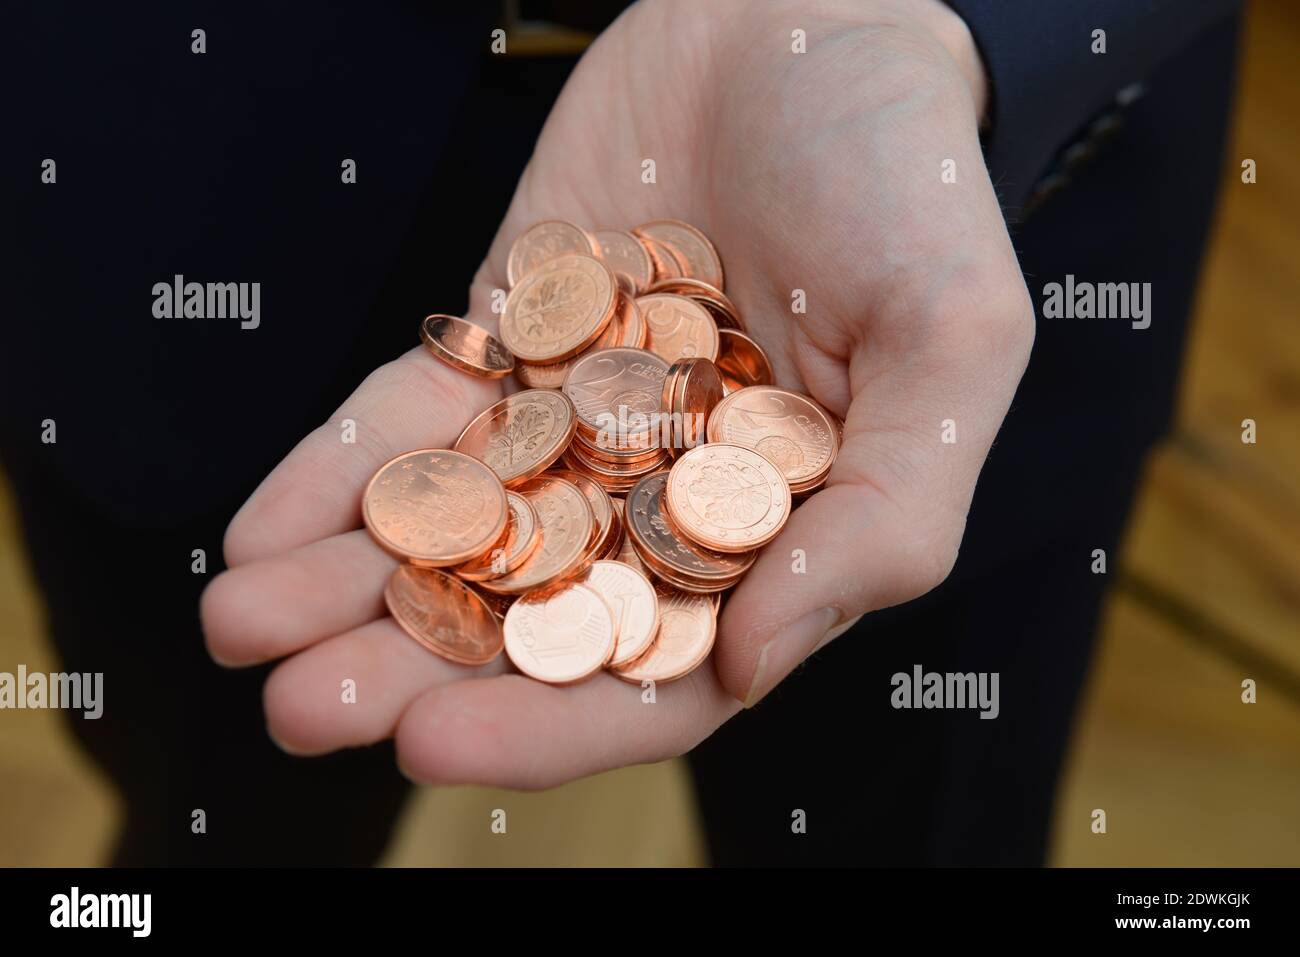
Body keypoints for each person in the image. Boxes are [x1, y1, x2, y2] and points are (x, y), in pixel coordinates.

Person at [2, 0, 1240, 865]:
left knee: (916, 824)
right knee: (208, 813)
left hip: (926, 188)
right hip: (172, 169)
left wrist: (937, 20)